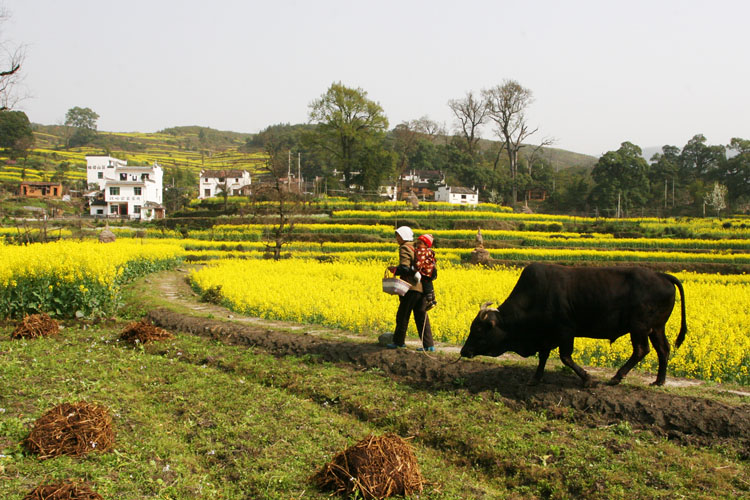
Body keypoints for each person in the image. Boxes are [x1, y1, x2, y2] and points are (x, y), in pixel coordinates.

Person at [386, 226, 435, 352]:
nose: (396, 239)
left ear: (402, 236)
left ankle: (398, 342)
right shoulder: (419, 247)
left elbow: (405, 268)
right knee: (421, 316)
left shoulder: (405, 248)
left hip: (410, 287)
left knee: (403, 315)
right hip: (423, 287)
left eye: (397, 236)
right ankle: (429, 345)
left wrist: (395, 269)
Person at [415, 233, 437, 311]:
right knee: (429, 285)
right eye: (417, 243)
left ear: (426, 245)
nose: (418, 245)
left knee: (426, 285)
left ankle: (429, 301)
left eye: (420, 243)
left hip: (425, 271)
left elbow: (419, 261)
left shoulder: (421, 251)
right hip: (430, 271)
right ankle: (433, 299)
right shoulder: (430, 251)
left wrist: (416, 268)